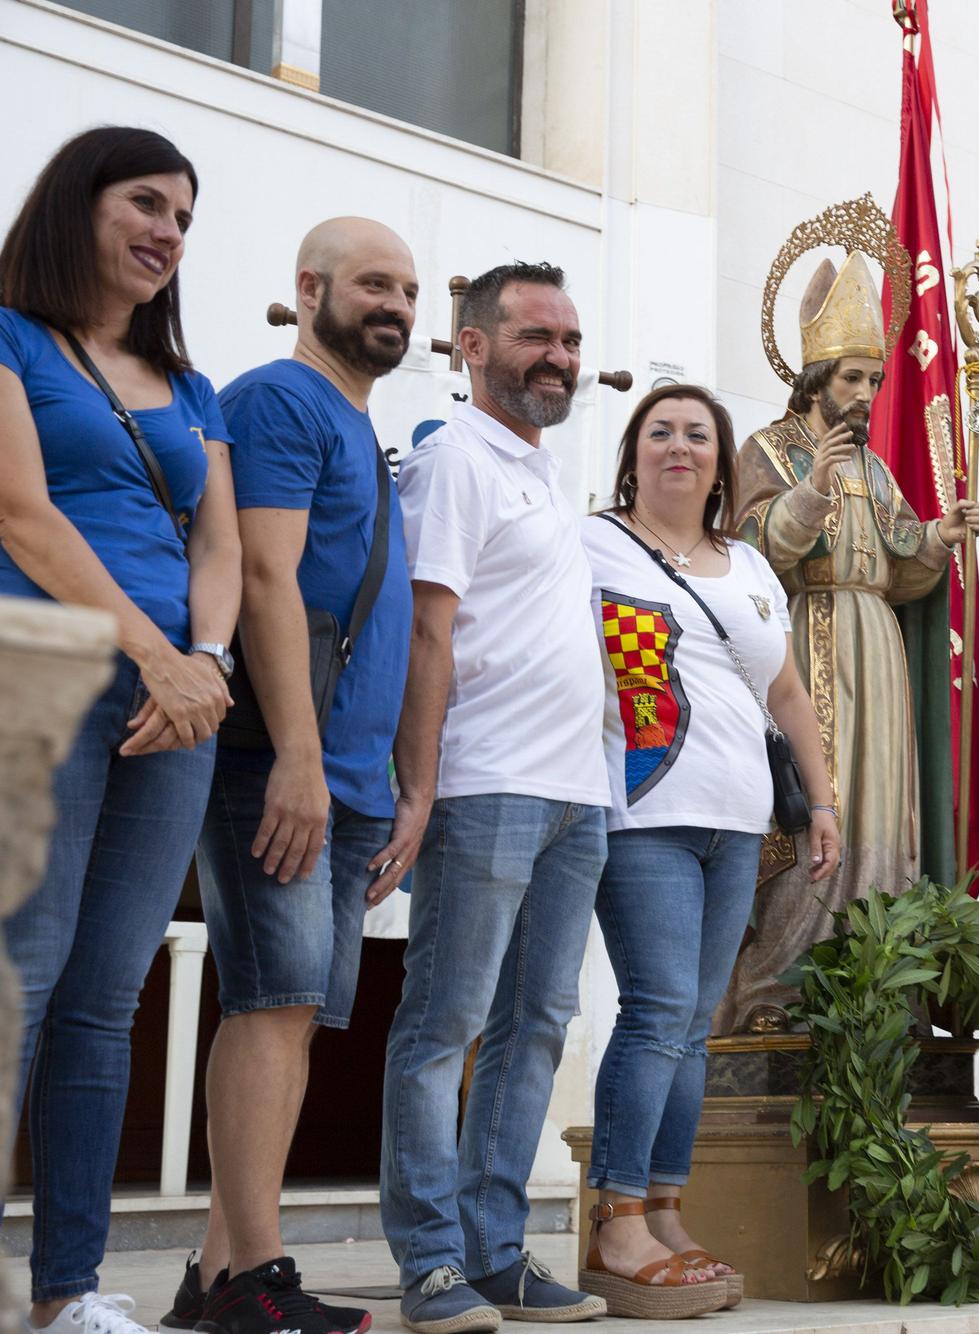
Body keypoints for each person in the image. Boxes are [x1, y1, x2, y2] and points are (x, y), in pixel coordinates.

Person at [0, 126, 239, 1334]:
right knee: (14, 975)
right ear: (79, 205)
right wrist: (155, 654)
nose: (167, 231)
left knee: (105, 998)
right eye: (146, 203)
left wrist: (203, 664)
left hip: (177, 705)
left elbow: (217, 543)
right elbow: (17, 509)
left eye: (184, 217)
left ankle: (67, 1287)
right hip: (39, 676)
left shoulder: (192, 383)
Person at [166, 218, 419, 1334]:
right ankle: (251, 1280)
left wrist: (405, 787)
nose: (396, 304)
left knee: (293, 1014)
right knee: (269, 1000)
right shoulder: (278, 398)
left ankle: (217, 1269)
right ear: (308, 286)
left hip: (350, 779)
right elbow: (262, 571)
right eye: (373, 282)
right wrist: (302, 764)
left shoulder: (365, 429)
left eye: (408, 289)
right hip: (280, 762)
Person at [378, 262, 614, 1332]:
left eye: (567, 339)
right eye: (534, 337)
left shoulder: (544, 472)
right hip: (483, 785)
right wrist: (417, 784)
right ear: (472, 346)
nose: (558, 357)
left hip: (576, 795)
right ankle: (431, 1261)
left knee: (534, 1028)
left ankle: (497, 1252)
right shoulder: (451, 460)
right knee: (444, 1025)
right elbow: (427, 629)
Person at [577, 384, 843, 1317]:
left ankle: (665, 1207)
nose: (680, 447)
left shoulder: (751, 568)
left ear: (722, 462)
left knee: (694, 1025)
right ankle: (615, 1220)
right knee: (655, 1011)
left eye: (698, 433)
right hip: (642, 809)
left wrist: (823, 801)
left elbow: (789, 697)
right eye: (662, 432)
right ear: (633, 452)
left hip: (738, 824)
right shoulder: (593, 542)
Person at [717, 236, 979, 1033]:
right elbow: (749, 550)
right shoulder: (766, 450)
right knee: (808, 814)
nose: (867, 393)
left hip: (878, 654)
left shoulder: (875, 468)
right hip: (806, 643)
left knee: (879, 821)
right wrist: (808, 495)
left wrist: (942, 536)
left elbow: (902, 568)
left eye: (873, 378)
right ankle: (778, 994)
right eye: (853, 378)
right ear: (813, 379)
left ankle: (876, 987)